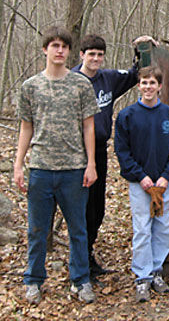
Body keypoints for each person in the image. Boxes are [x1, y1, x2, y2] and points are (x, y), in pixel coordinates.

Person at [14, 27, 100, 304]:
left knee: (78, 229)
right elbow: (26, 128)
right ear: (45, 50)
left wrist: (91, 164)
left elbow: (89, 127)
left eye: (64, 46)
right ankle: (33, 281)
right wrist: (18, 165)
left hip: (74, 170)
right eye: (54, 46)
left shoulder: (80, 85)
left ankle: (81, 280)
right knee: (38, 230)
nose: (60, 50)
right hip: (40, 168)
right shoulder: (31, 86)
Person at [72, 33, 157, 278]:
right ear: (82, 55)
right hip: (75, 152)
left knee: (97, 208)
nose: (96, 59)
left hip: (98, 150)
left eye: (100, 54)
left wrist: (142, 48)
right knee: (79, 207)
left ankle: (87, 257)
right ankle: (78, 263)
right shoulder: (72, 81)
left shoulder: (108, 78)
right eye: (91, 54)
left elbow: (135, 74)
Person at [115, 66, 169, 303]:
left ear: (159, 86)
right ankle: (142, 277)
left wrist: (166, 176)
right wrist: (140, 177)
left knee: (165, 228)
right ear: (138, 86)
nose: (148, 87)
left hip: (167, 183)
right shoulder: (127, 116)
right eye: (144, 83)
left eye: (152, 83)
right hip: (140, 184)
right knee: (143, 229)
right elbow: (122, 152)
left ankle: (157, 271)